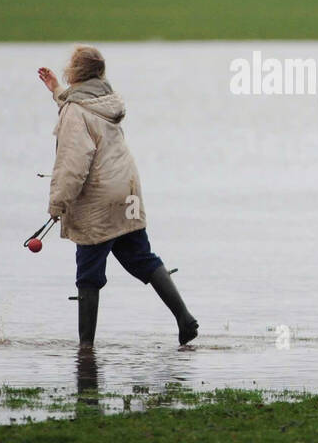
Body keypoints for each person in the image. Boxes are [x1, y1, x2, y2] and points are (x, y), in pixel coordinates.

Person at [36, 46, 198, 348]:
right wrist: (56, 89)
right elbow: (79, 104)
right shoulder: (106, 100)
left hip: (99, 197)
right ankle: (185, 319)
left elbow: (74, 163)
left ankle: (86, 348)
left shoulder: (76, 111)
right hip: (127, 188)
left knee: (88, 272)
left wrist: (57, 204)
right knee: (142, 257)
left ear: (76, 72)